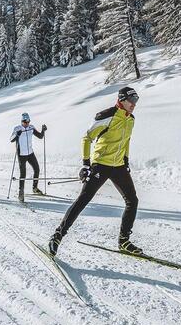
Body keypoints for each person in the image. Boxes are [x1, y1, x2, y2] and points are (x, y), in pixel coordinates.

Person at [47, 86, 142, 257]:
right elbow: (87, 138)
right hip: (101, 164)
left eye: (136, 101)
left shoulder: (131, 119)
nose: (134, 104)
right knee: (84, 199)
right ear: (122, 100)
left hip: (118, 166)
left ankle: (124, 241)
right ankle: (57, 236)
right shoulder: (107, 115)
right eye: (132, 100)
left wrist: (126, 161)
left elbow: (126, 141)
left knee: (132, 201)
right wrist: (86, 165)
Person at [10, 112, 47, 202]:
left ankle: (35, 188)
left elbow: (40, 136)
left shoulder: (31, 128)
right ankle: (21, 193)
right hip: (21, 154)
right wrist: (17, 135)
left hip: (30, 153)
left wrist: (43, 130)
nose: (27, 124)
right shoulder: (17, 128)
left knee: (37, 169)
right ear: (22, 121)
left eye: (28, 122)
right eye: (25, 122)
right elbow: (11, 140)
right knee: (23, 174)